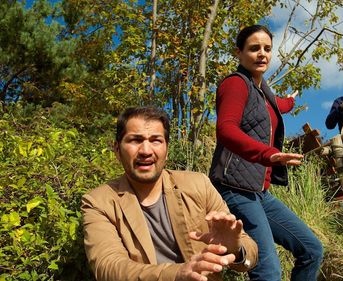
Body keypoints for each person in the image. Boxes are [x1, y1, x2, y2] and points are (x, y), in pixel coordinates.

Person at [82, 106, 257, 281]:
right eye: (135, 140)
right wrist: (176, 274)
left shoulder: (198, 185)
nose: (146, 151)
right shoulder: (99, 201)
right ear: (117, 150)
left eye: (156, 140)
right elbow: (108, 267)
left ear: (166, 150)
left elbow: (250, 252)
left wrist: (235, 249)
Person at [209, 25, 323, 281]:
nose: (262, 54)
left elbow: (277, 105)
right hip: (234, 189)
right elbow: (226, 128)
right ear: (239, 53)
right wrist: (267, 154)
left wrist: (291, 101)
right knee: (268, 272)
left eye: (267, 49)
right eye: (254, 48)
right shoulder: (236, 84)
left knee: (312, 250)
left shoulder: (262, 89)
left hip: (259, 193)